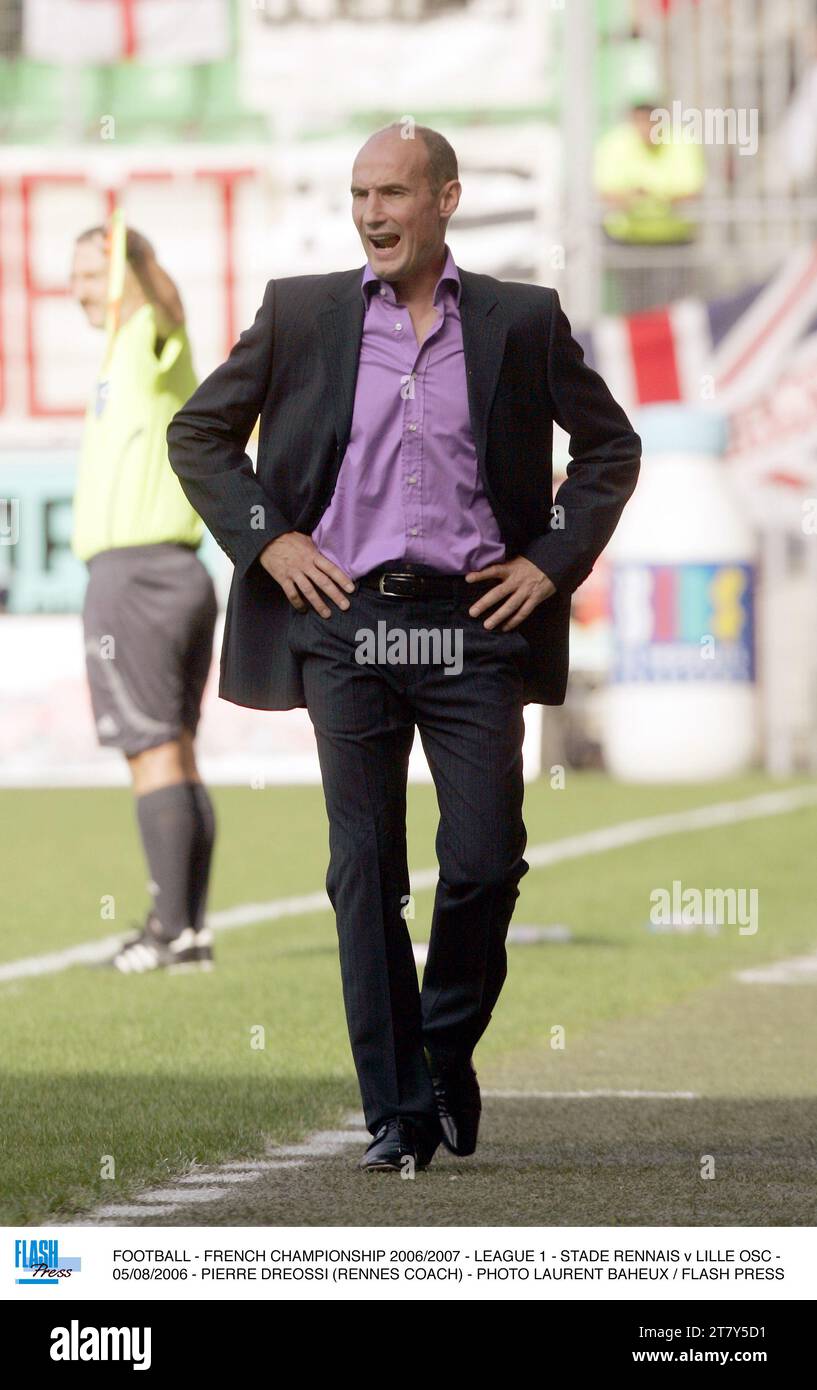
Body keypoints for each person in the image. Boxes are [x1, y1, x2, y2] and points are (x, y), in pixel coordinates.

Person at [167, 124, 641, 1171]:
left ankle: (442, 1047)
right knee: (363, 866)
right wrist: (268, 540)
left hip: (476, 625)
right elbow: (197, 433)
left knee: (482, 860)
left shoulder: (521, 320)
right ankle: (398, 1109)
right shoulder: (301, 313)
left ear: (446, 200)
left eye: (392, 193)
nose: (372, 213)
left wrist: (549, 563)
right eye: (358, 194)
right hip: (344, 622)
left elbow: (609, 447)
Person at [70, 224, 218, 974]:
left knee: (152, 755)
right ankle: (186, 931)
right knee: (176, 755)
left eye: (91, 276)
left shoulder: (143, 337)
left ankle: (168, 931)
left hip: (138, 575)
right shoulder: (116, 356)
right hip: (173, 570)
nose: (78, 291)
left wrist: (135, 254)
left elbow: (169, 307)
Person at [594, 100, 706, 311]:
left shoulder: (681, 141)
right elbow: (607, 194)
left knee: (672, 306)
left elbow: (691, 193)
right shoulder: (614, 143)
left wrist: (644, 194)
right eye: (640, 122)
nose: (645, 129)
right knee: (635, 307)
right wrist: (661, 196)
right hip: (628, 241)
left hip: (674, 241)